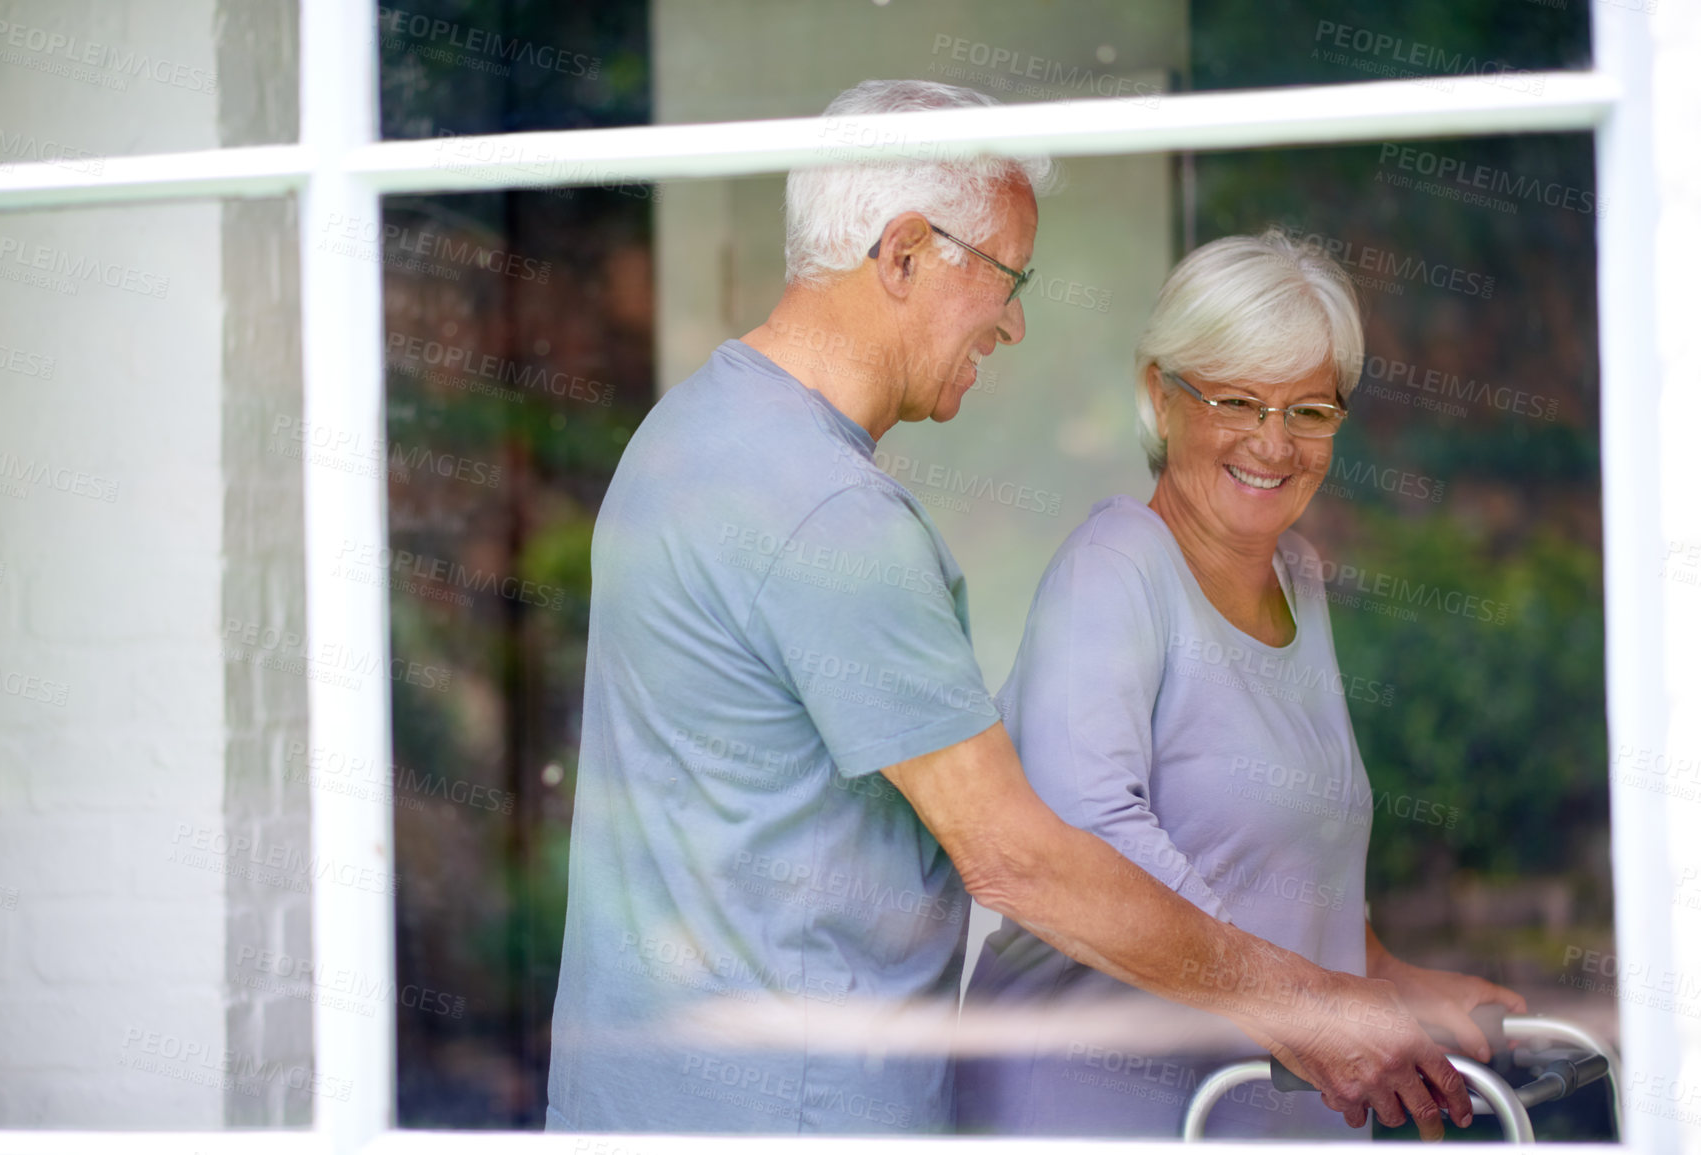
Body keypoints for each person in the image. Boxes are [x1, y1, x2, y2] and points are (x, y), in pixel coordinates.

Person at [546, 82, 1477, 1138]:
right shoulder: (829, 514)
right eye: (1002, 276)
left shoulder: (691, 431)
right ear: (900, 255)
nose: (1016, 319)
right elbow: (1017, 855)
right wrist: (1304, 1006)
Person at [953, 230, 1527, 1139]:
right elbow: (1087, 843)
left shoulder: (1295, 575)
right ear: (1160, 395)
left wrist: (1387, 978)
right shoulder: (1114, 569)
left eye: (1309, 410)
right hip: (1094, 1112)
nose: (1273, 441)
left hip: (1255, 1112)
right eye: (1237, 399)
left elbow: (1290, 863)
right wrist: (1308, 1006)